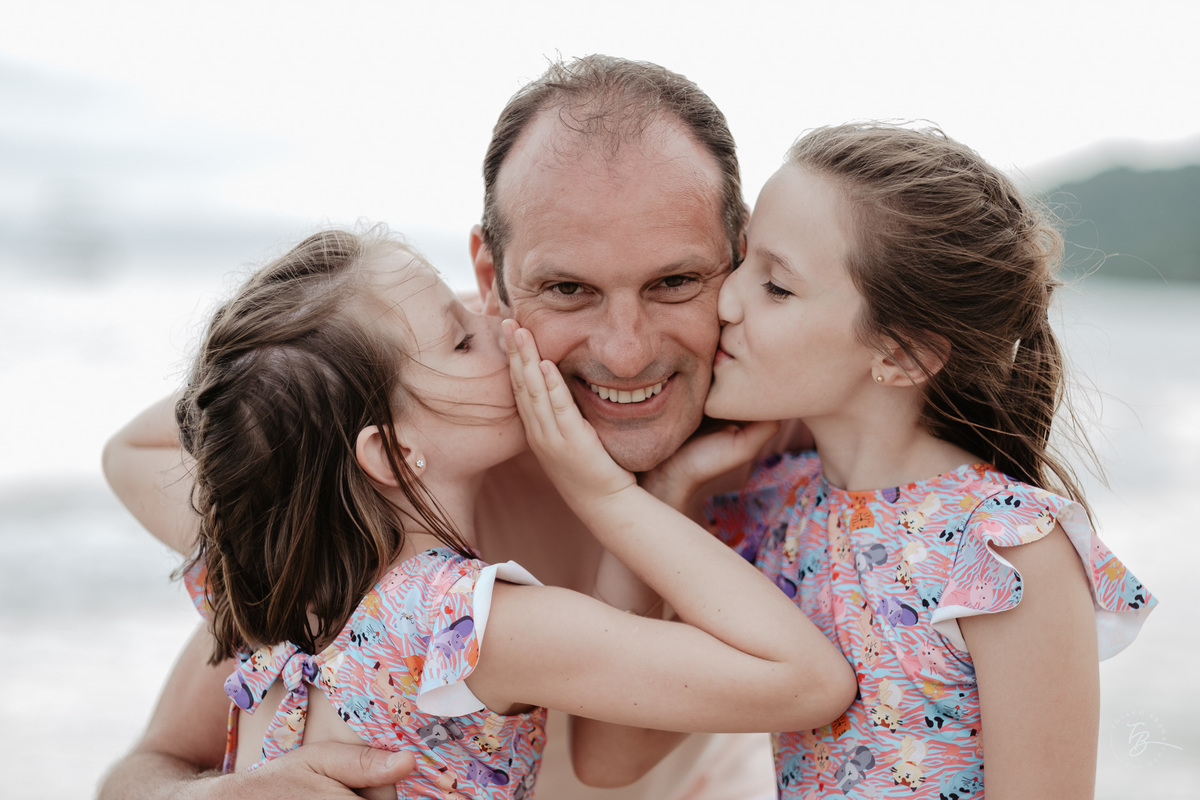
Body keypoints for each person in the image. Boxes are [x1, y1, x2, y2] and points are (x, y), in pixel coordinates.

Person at [100, 55, 793, 800]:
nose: (626, 352)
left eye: (674, 282)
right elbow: (143, 771)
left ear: (743, 257)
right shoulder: (416, 449)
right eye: (567, 289)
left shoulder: (798, 411)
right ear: (493, 284)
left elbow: (611, 758)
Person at [506, 123, 1157, 799]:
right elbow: (610, 753)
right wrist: (665, 494)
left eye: (776, 287)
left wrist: (605, 495)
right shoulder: (770, 512)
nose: (725, 302)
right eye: (742, 264)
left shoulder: (1003, 551)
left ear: (900, 353)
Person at [133, 224, 852, 799]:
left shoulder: (290, 611)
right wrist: (610, 498)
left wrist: (659, 493)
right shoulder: (469, 629)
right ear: (390, 452)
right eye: (461, 336)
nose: (503, 329)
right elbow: (809, 681)